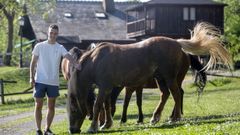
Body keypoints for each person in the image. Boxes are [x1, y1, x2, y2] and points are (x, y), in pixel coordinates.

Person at [30, 24, 81, 135]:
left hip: (53, 82)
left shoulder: (60, 47)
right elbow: (33, 63)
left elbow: (68, 56)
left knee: (51, 107)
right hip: (39, 80)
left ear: (57, 34)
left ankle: (47, 129)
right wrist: (31, 77)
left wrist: (76, 64)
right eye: (51, 32)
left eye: (55, 33)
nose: (53, 35)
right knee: (38, 105)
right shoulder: (39, 46)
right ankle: (38, 130)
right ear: (48, 32)